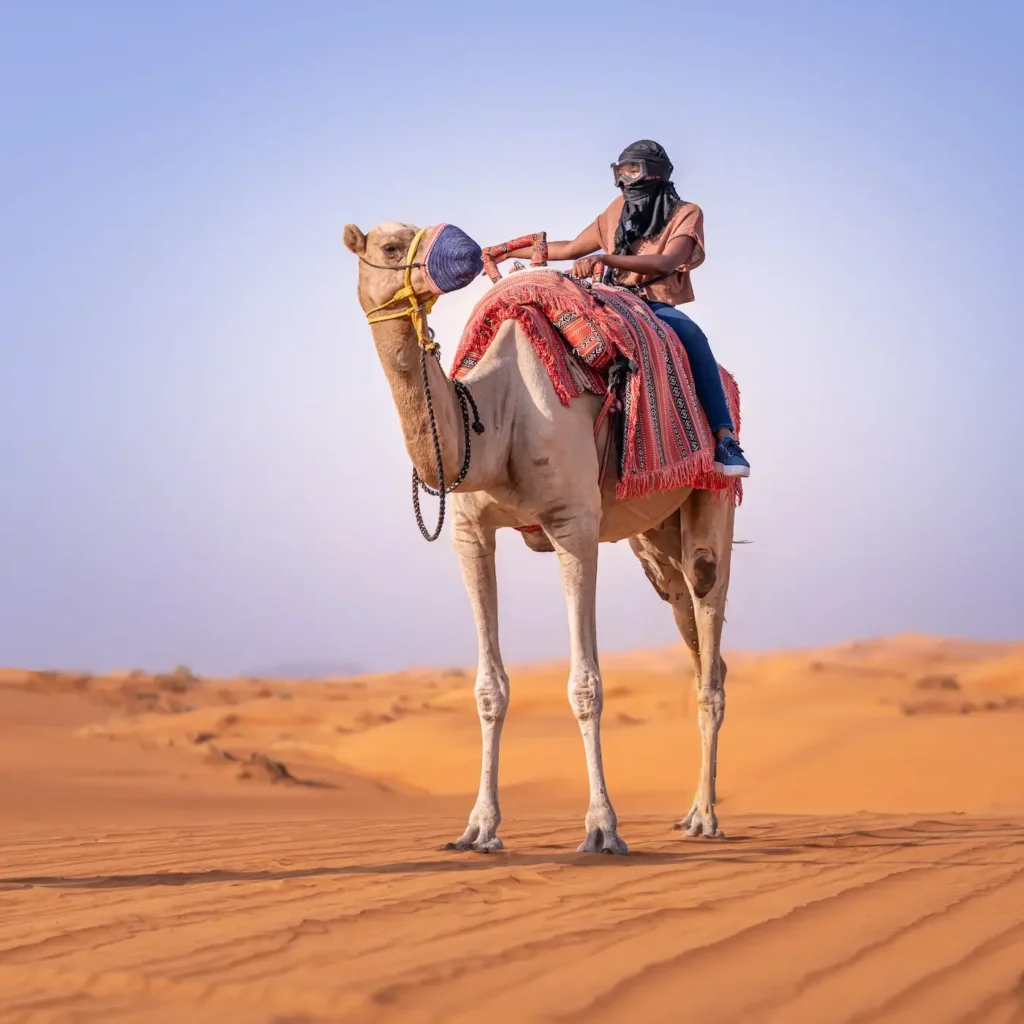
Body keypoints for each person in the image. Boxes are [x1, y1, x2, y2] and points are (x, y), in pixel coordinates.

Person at [494, 140, 749, 477]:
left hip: (651, 303)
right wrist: (509, 252)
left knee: (691, 334)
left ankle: (724, 439)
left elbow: (666, 262)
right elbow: (571, 247)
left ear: (654, 173)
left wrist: (605, 258)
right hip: (607, 298)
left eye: (633, 170)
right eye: (620, 172)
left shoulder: (686, 213)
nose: (625, 180)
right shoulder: (617, 210)